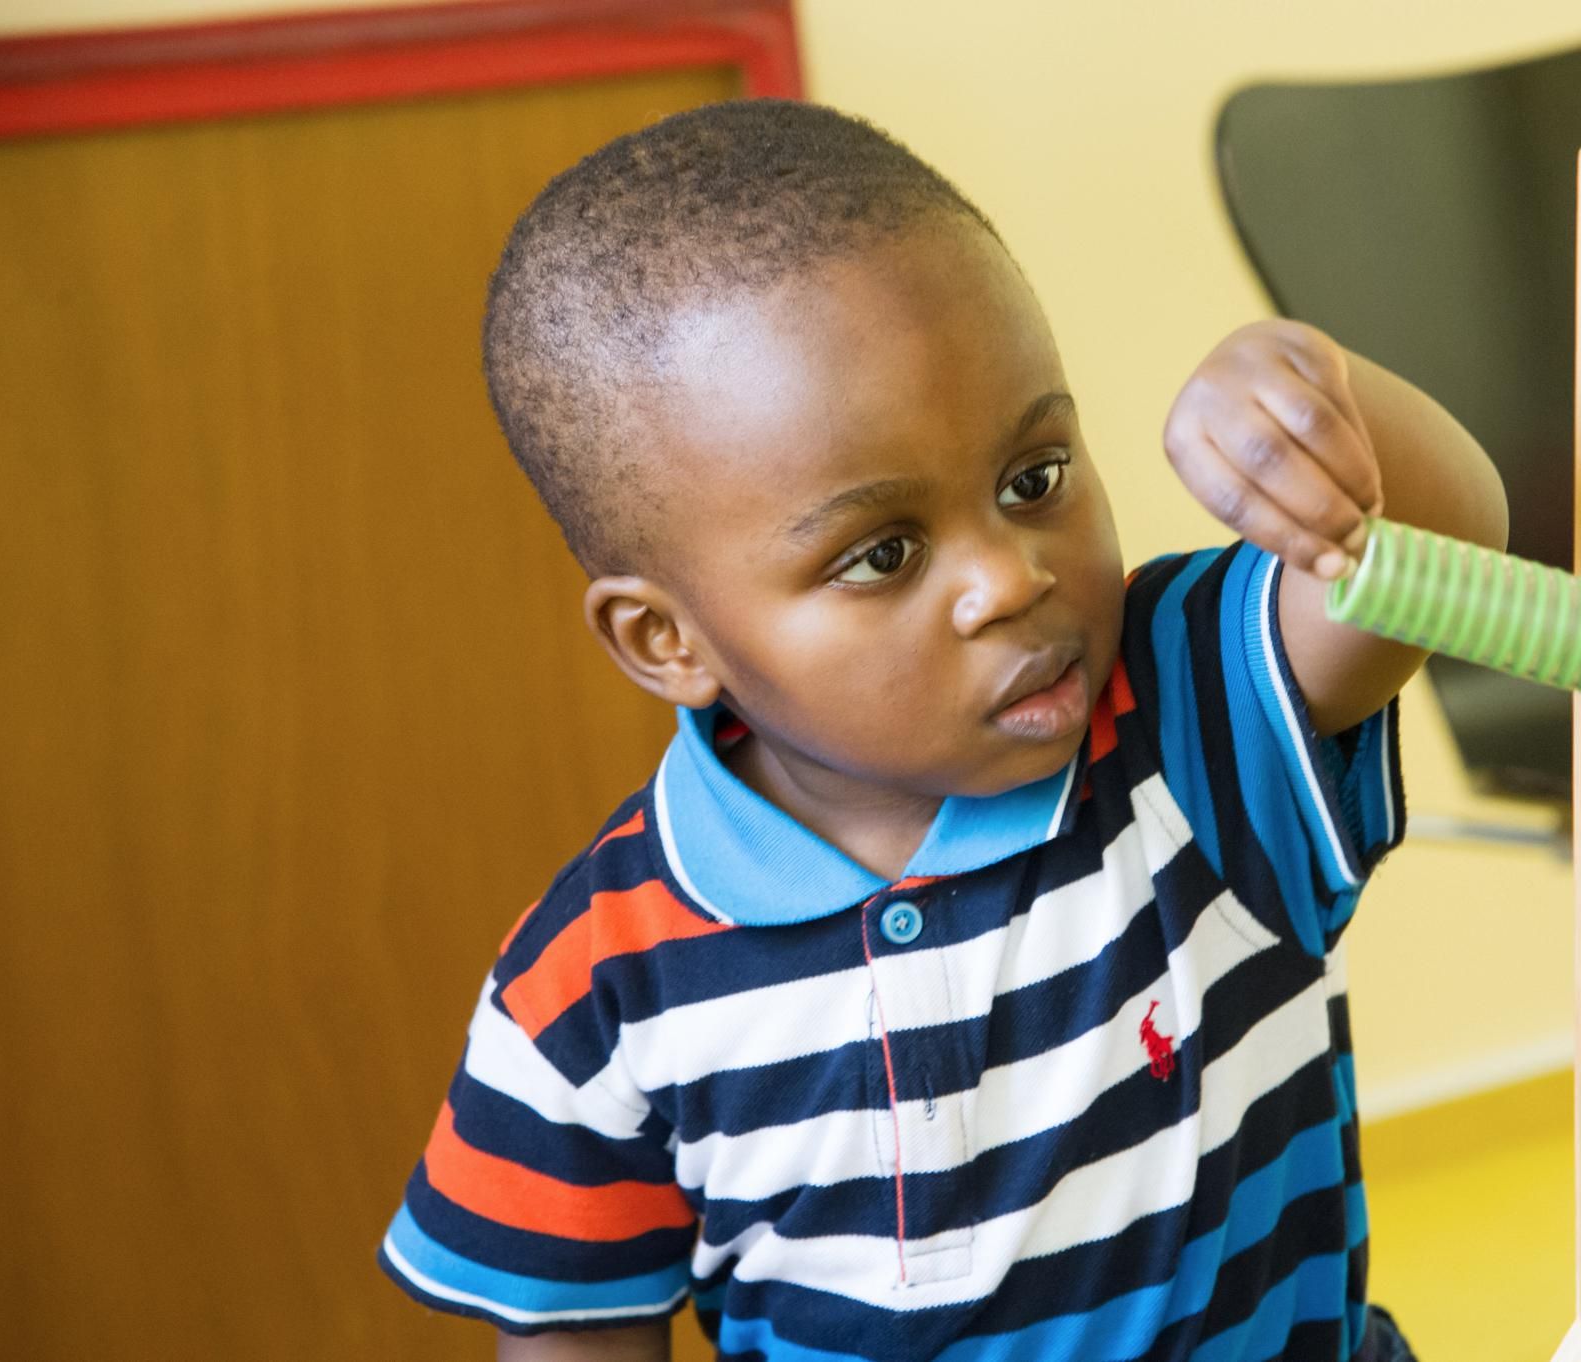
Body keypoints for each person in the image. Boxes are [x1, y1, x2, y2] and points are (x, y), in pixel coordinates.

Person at [378, 99, 1506, 1362]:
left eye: (1034, 479)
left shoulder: (1192, 713)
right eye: (883, 554)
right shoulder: (584, 1001)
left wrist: (1313, 400)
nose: (1010, 578)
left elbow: (1438, 552)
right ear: (666, 641)